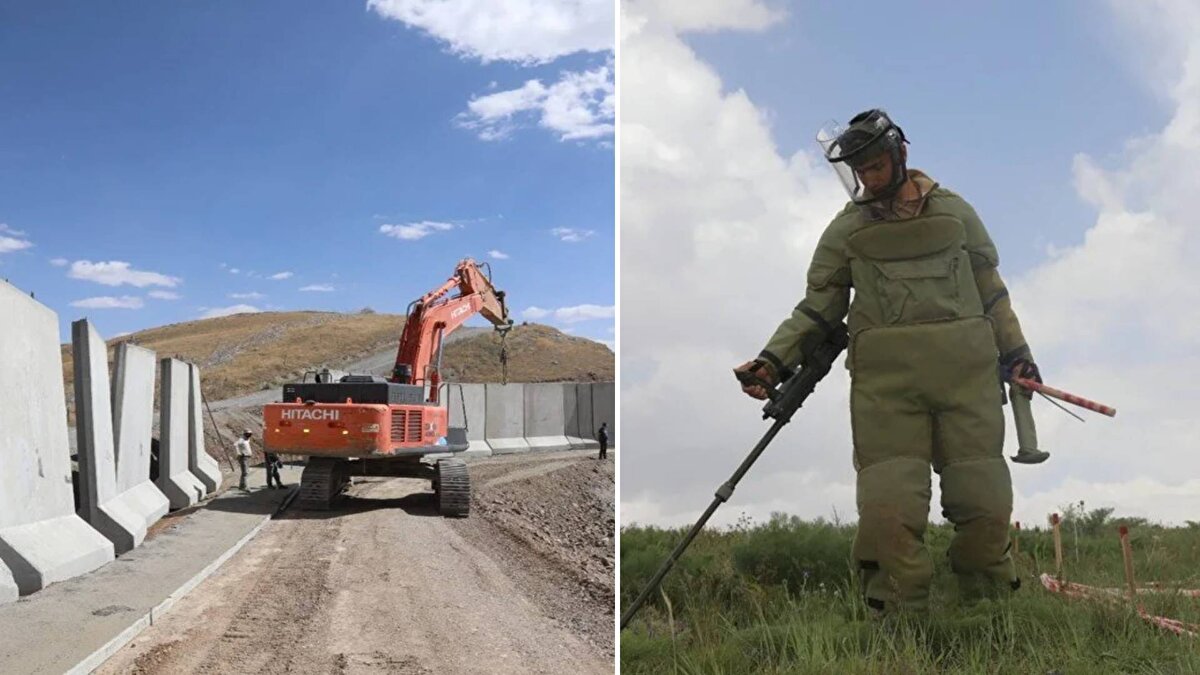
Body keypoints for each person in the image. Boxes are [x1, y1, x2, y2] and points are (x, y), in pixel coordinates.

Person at [735, 109, 1041, 613]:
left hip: (969, 385)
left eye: (876, 166)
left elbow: (992, 294)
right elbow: (818, 307)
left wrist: (1019, 355)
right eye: (860, 170)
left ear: (900, 155)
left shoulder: (955, 212)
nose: (869, 179)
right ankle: (900, 623)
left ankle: (988, 614)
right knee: (887, 510)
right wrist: (773, 360)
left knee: (985, 503)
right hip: (887, 394)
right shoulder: (847, 230)